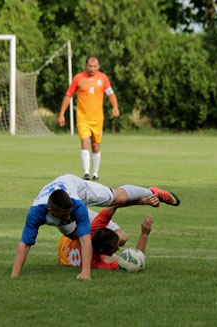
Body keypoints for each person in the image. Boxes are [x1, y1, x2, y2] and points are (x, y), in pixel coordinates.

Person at [11, 174, 179, 279]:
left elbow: (86, 239)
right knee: (121, 237)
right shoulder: (36, 213)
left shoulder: (77, 207)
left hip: (75, 188)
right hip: (67, 236)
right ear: (50, 211)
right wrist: (15, 276)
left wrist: (85, 273)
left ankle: (150, 192)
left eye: (69, 213)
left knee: (117, 197)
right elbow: (25, 244)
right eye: (65, 215)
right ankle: (145, 197)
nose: (70, 218)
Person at [58, 56, 120, 181]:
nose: (92, 69)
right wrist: (61, 113)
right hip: (83, 118)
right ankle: (86, 173)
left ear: (98, 67)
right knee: (85, 143)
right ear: (86, 66)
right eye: (90, 66)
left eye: (94, 66)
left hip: (97, 119)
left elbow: (111, 93)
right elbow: (68, 95)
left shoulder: (103, 78)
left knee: (95, 146)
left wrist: (115, 107)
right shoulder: (78, 78)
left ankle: (95, 173)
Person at [58, 205, 154, 271]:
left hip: (65, 242)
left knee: (123, 238)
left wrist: (141, 199)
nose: (118, 249)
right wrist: (144, 233)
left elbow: (113, 205)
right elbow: (133, 264)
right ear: (101, 251)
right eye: (114, 249)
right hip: (67, 242)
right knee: (119, 252)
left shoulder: (92, 230)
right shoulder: (95, 264)